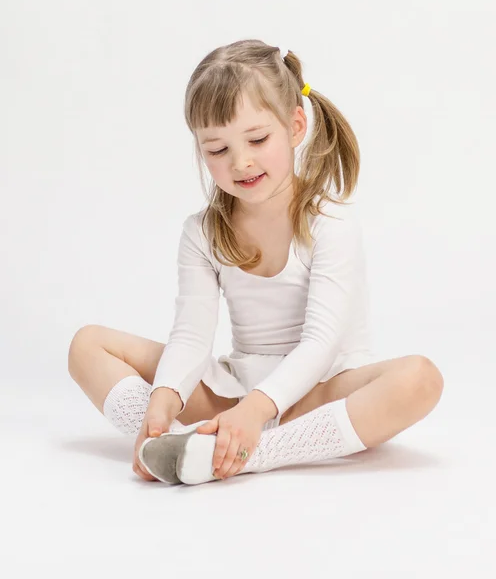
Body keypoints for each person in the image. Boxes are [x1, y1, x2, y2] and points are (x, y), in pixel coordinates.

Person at [68, 39, 444, 485]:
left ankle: (250, 453)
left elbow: (321, 342)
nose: (240, 162)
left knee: (420, 379)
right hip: (235, 389)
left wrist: (256, 412)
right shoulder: (202, 231)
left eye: (258, 139)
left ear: (296, 126)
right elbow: (191, 335)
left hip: (318, 394)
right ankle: (170, 442)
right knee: (86, 345)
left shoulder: (330, 222)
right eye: (217, 149)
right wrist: (163, 401)